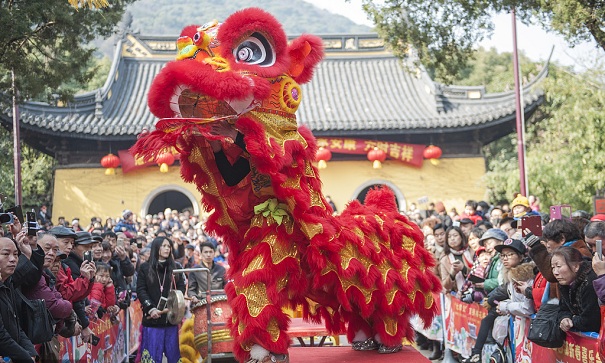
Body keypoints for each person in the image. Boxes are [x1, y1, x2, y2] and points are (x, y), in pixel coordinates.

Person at [464, 238, 531, 363]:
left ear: (521, 257)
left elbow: (528, 307)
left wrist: (504, 306)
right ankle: (477, 354)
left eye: (510, 254)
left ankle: (478, 353)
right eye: (503, 255)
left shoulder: (525, 276)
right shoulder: (510, 273)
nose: (505, 258)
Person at [136, 237, 186, 363]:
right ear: (156, 248)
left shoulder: (176, 267)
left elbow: (181, 287)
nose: (166, 249)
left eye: (169, 246)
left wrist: (176, 304)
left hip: (171, 319)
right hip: (153, 320)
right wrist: (151, 308)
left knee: (174, 357)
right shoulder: (145, 268)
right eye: (163, 246)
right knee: (152, 357)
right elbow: (141, 290)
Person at [0, 237, 38, 361]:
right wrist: (25, 358)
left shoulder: (8, 284)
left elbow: (15, 325)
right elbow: (1, 335)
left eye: (16, 254)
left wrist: (31, 352)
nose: (13, 259)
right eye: (6, 254)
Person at [553, 246, 600, 333]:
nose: (555, 272)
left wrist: (572, 319)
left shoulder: (590, 282)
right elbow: (563, 309)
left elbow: (590, 322)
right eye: (553, 267)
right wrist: (564, 318)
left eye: (558, 266)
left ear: (576, 267)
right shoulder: (565, 282)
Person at [439, 226, 473, 293]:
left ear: (461, 237)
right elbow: (445, 286)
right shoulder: (444, 259)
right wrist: (452, 274)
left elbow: (479, 275)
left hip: (474, 291)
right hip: (456, 294)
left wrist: (463, 268)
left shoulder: (471, 252)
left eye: (455, 235)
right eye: (449, 237)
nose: (452, 239)